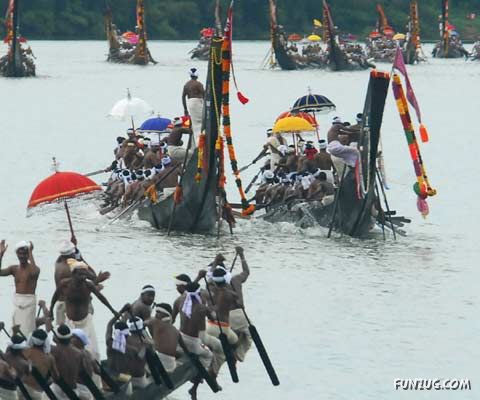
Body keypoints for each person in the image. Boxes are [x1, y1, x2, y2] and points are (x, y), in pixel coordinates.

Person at [50, 263, 119, 362]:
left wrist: (112, 310)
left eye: (85, 275)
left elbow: (101, 297)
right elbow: (55, 297)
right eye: (80, 275)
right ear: (73, 274)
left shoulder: (88, 285)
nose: (83, 277)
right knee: (68, 350)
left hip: (85, 323)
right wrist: (51, 311)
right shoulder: (64, 284)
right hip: (70, 323)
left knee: (92, 352)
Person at [179, 282, 215, 400]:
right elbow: (212, 318)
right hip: (192, 343)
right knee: (209, 356)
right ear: (199, 293)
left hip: (180, 339)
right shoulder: (201, 308)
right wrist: (211, 311)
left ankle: (195, 379)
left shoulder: (182, 301)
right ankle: (195, 384)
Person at [0, 241, 40, 337]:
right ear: (17, 254)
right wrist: (1, 254)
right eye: (20, 253)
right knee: (15, 332)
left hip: (29, 304)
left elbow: (34, 273)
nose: (22, 256)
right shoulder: (14, 269)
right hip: (17, 303)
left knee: (27, 332)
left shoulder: (34, 268)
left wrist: (31, 253)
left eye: (25, 254)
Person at [228, 246, 252, 362]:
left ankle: (232, 348)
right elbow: (246, 272)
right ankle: (238, 355)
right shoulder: (236, 279)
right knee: (248, 337)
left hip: (224, 317)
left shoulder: (213, 286)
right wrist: (242, 255)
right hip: (239, 315)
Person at [50, 324, 87, 399]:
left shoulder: (53, 350)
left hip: (57, 390)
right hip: (73, 391)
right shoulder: (79, 353)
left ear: (56, 338)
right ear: (70, 338)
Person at [23, 329, 59, 400]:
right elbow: (56, 377)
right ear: (45, 341)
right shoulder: (50, 358)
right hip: (37, 392)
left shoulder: (24, 352)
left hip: (23, 389)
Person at [146, 303, 178, 373]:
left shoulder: (156, 322)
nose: (156, 314)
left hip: (161, 363)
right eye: (156, 312)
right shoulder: (174, 328)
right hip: (171, 365)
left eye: (158, 312)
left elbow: (143, 323)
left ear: (165, 314)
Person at [71, 328, 101, 399]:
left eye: (72, 337)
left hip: (79, 389)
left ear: (79, 340)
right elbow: (97, 370)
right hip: (87, 390)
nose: (70, 339)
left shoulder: (77, 354)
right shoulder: (88, 354)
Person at [182, 68, 205, 140]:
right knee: (200, 122)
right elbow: (204, 95)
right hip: (197, 102)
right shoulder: (199, 84)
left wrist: (185, 109)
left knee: (195, 124)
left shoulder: (186, 85)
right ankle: (200, 141)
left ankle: (196, 141)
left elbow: (183, 97)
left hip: (190, 103)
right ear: (197, 76)